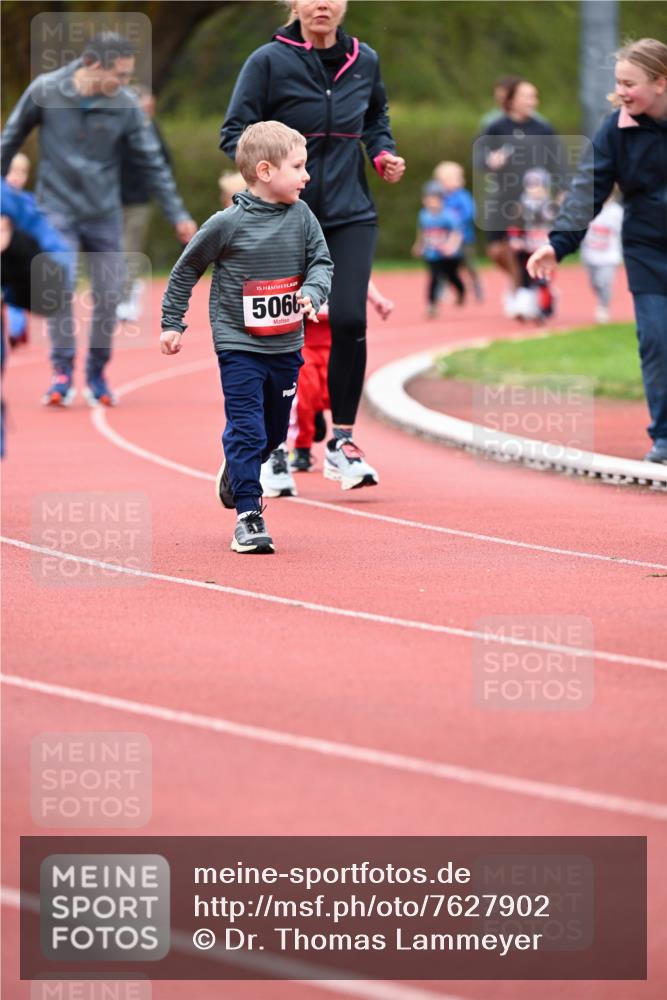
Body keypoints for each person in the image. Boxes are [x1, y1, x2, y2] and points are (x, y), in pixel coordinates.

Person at [220, 0, 405, 490]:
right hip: (283, 219)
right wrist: (272, 174)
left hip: (350, 214)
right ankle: (272, 446)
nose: (322, 3)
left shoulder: (364, 59)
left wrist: (382, 152)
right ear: (294, 4)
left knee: (348, 319)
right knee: (275, 331)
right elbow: (234, 134)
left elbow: (375, 116)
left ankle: (341, 442)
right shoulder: (267, 61)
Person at [160, 121, 333, 554]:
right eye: (298, 166)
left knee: (273, 433)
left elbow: (322, 262)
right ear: (265, 171)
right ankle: (248, 515)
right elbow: (186, 269)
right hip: (239, 344)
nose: (306, 175)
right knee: (246, 427)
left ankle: (237, 472)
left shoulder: (303, 216)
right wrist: (172, 321)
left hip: (286, 344)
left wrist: (311, 292)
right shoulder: (227, 223)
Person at [1, 31, 197, 407]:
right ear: (92, 63)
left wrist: (178, 215)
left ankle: (96, 372)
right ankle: (61, 372)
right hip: (55, 210)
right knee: (58, 288)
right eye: (119, 75)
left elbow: (152, 163)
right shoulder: (47, 89)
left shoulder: (124, 104)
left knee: (109, 295)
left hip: (104, 213)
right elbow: (9, 140)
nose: (124, 84)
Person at [527, 38, 667, 464]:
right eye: (618, 83)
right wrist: (558, 243)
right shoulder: (616, 128)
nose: (622, 91)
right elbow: (588, 186)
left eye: (631, 83)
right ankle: (664, 436)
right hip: (648, 249)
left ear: (661, 82)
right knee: (656, 339)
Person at [475, 78, 560, 316]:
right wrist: (491, 161)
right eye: (527, 96)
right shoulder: (495, 127)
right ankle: (517, 282)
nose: (532, 101)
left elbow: (558, 162)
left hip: (533, 203)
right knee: (495, 250)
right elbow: (480, 158)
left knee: (524, 247)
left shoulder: (543, 129)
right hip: (502, 196)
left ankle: (526, 289)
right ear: (511, 100)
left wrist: (562, 190)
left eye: (534, 96)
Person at [117, 85, 173, 323]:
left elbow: (164, 162)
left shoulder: (152, 129)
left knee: (130, 249)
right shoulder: (117, 129)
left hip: (139, 200)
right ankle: (121, 293)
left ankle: (126, 298)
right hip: (112, 200)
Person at [413, 181, 465, 317]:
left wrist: (451, 246)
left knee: (452, 276)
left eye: (435, 199)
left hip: (449, 256)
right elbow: (422, 231)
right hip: (433, 254)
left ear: (442, 200)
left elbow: (457, 232)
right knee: (434, 278)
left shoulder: (449, 215)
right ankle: (431, 305)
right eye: (428, 200)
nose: (431, 203)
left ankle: (461, 291)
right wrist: (419, 245)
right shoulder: (424, 215)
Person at [433, 160, 482, 301]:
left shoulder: (463, 196)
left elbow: (470, 213)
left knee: (468, 263)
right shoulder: (440, 198)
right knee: (444, 265)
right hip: (445, 239)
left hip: (464, 238)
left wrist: (454, 220)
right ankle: (443, 289)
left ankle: (476, 285)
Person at [580, 193, 624, 324]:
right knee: (594, 283)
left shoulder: (617, 212)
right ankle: (601, 298)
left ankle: (603, 307)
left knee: (604, 282)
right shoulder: (588, 209)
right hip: (590, 253)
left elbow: (623, 231)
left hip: (609, 255)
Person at [4, 153, 32, 346]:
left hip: (20, 260)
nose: (16, 176)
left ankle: (16, 330)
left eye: (22, 172)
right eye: (12, 171)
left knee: (15, 296)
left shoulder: (29, 202)